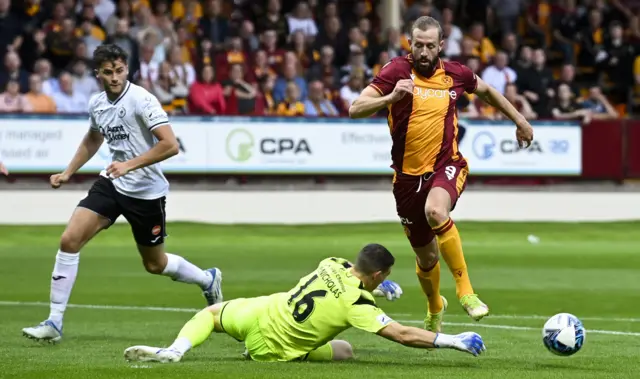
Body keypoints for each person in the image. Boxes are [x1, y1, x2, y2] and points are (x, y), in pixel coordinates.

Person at [22, 44, 223, 343]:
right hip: (112, 183)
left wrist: (130, 165)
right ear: (98, 74)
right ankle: (54, 322)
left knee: (155, 264)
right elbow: (93, 137)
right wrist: (68, 171)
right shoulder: (97, 103)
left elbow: (170, 145)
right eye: (108, 72)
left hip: (146, 191)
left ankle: (208, 279)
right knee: (69, 240)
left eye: (119, 71)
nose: (114, 77)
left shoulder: (142, 100)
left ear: (126, 69)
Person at [348, 16, 534, 331]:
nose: (423, 51)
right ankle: (435, 305)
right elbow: (356, 108)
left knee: (436, 210)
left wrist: (520, 120)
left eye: (429, 46)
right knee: (426, 259)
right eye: (417, 45)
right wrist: (390, 98)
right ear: (410, 43)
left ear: (440, 46)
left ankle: (466, 292)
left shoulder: (455, 74)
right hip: (406, 179)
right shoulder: (395, 72)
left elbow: (487, 92)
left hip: (446, 164)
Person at [123, 244, 486, 363]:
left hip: (262, 311)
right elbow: (404, 334)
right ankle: (255, 353)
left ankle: (175, 349)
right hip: (273, 347)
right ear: (377, 276)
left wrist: (379, 284)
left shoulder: (331, 263)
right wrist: (453, 340)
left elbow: (349, 269)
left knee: (212, 313)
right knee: (345, 350)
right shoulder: (358, 307)